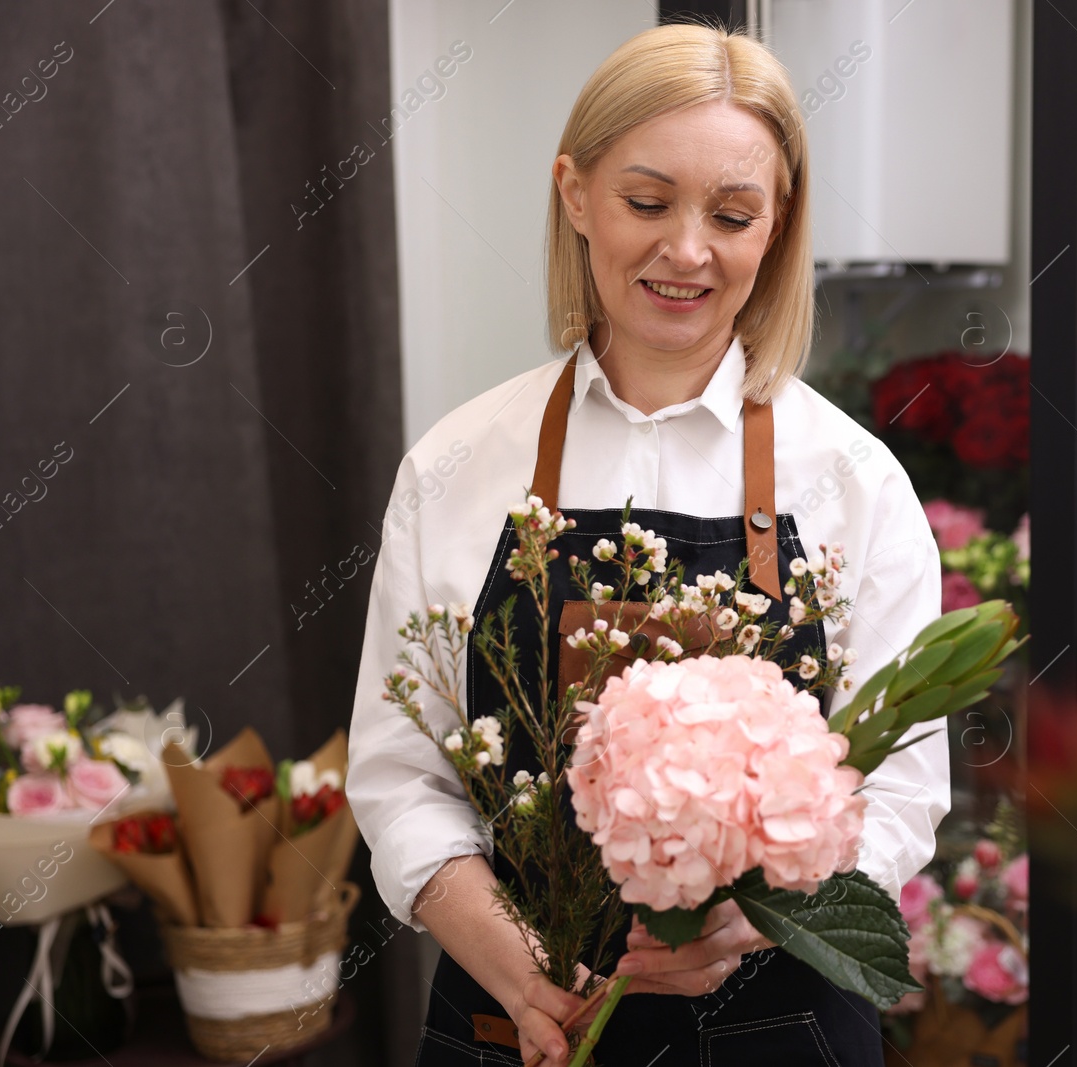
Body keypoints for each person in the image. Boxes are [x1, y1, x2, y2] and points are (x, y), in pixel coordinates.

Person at [346, 22, 949, 1067]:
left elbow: (900, 792)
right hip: (518, 1026)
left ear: (777, 224)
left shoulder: (854, 483)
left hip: (785, 1028)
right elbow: (401, 778)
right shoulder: (454, 466)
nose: (687, 249)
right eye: (645, 201)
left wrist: (758, 917)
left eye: (731, 213)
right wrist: (514, 963)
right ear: (575, 194)